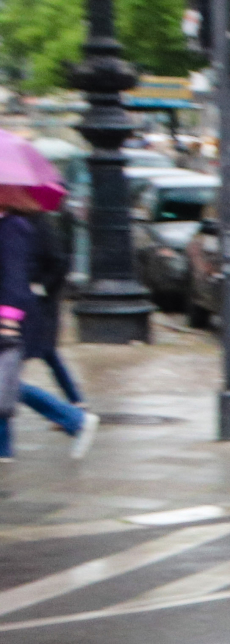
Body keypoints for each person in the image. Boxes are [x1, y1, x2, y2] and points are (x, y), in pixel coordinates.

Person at [0, 185, 96, 461]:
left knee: (7, 382)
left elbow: (15, 280)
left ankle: (74, 418)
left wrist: (8, 319)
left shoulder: (14, 227)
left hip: (11, 316)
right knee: (6, 382)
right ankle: (4, 451)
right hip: (12, 313)